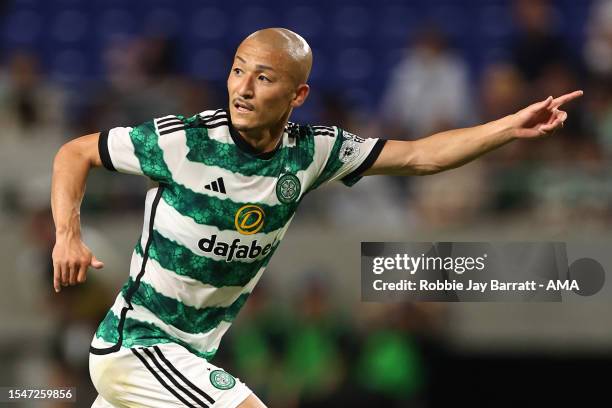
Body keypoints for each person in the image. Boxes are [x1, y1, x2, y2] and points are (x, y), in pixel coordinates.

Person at [50, 28, 582, 408]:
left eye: (263, 77)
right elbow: (75, 153)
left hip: (191, 351)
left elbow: (422, 155)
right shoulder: (182, 141)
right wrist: (67, 237)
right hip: (139, 345)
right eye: (237, 71)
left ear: (297, 95)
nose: (243, 88)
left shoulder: (313, 153)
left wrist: (508, 127)